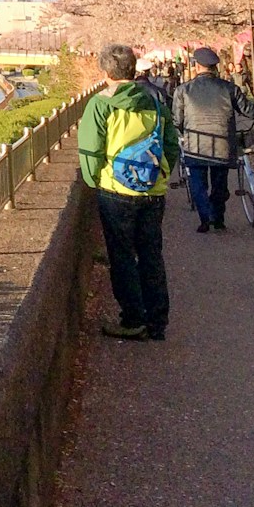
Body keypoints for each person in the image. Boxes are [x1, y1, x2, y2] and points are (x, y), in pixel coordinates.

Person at [78, 43, 179, 341]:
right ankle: (158, 321)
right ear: (133, 70)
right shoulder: (156, 103)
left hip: (116, 191)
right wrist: (159, 176)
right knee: (151, 255)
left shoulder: (100, 104)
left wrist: (93, 180)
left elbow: (91, 151)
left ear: (106, 72)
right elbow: (171, 146)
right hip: (153, 191)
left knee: (122, 256)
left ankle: (133, 319)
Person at [173, 45, 254, 232]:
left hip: (196, 144)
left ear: (196, 66)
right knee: (220, 183)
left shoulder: (183, 90)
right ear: (215, 67)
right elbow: (248, 109)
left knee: (198, 183)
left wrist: (182, 133)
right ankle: (218, 217)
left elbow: (177, 120)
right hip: (223, 143)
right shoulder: (229, 88)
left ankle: (205, 218)